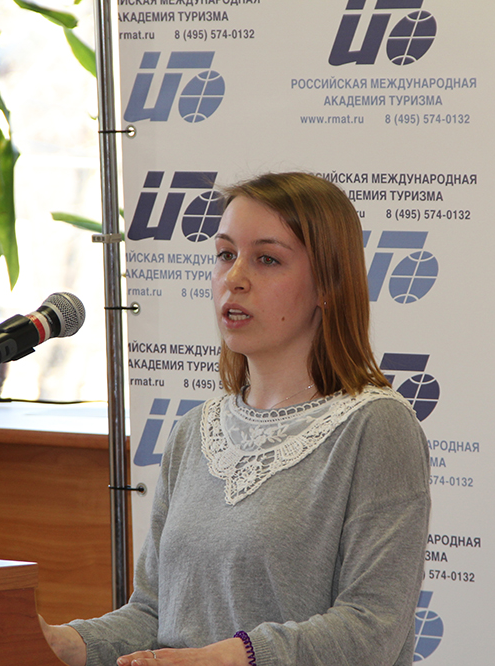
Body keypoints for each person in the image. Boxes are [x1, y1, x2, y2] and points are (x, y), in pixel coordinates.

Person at [41, 171, 431, 666]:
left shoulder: (376, 426)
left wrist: (231, 657)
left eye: (267, 259)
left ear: (328, 285)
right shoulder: (193, 431)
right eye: (226, 254)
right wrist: (63, 641)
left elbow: (373, 627)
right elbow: (153, 614)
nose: (235, 278)